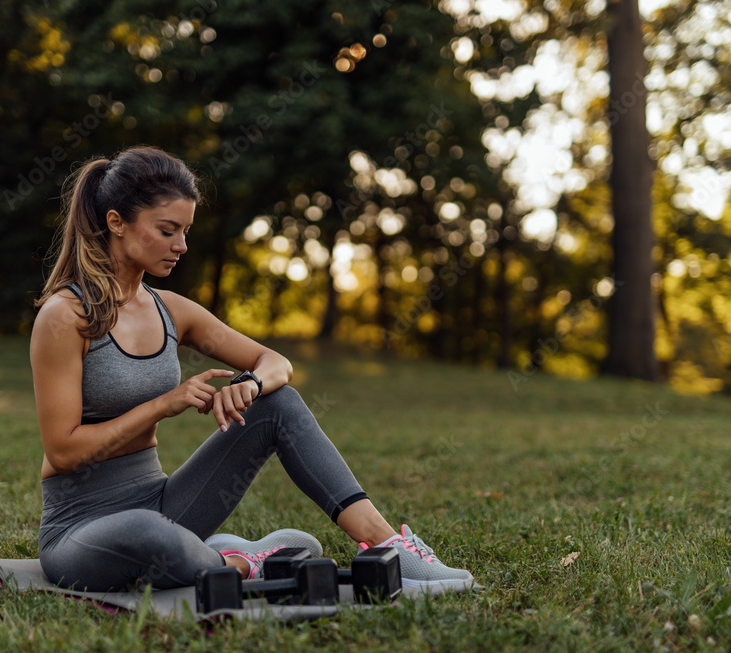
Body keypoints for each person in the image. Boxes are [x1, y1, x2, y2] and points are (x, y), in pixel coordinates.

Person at [30, 145, 474, 593]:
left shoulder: (172, 311)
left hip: (165, 505)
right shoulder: (65, 316)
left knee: (276, 403)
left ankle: (384, 544)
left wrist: (250, 385)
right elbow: (63, 451)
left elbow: (276, 363)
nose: (182, 245)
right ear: (116, 222)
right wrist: (164, 405)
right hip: (79, 530)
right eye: (167, 230)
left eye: (185, 231)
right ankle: (240, 560)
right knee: (147, 533)